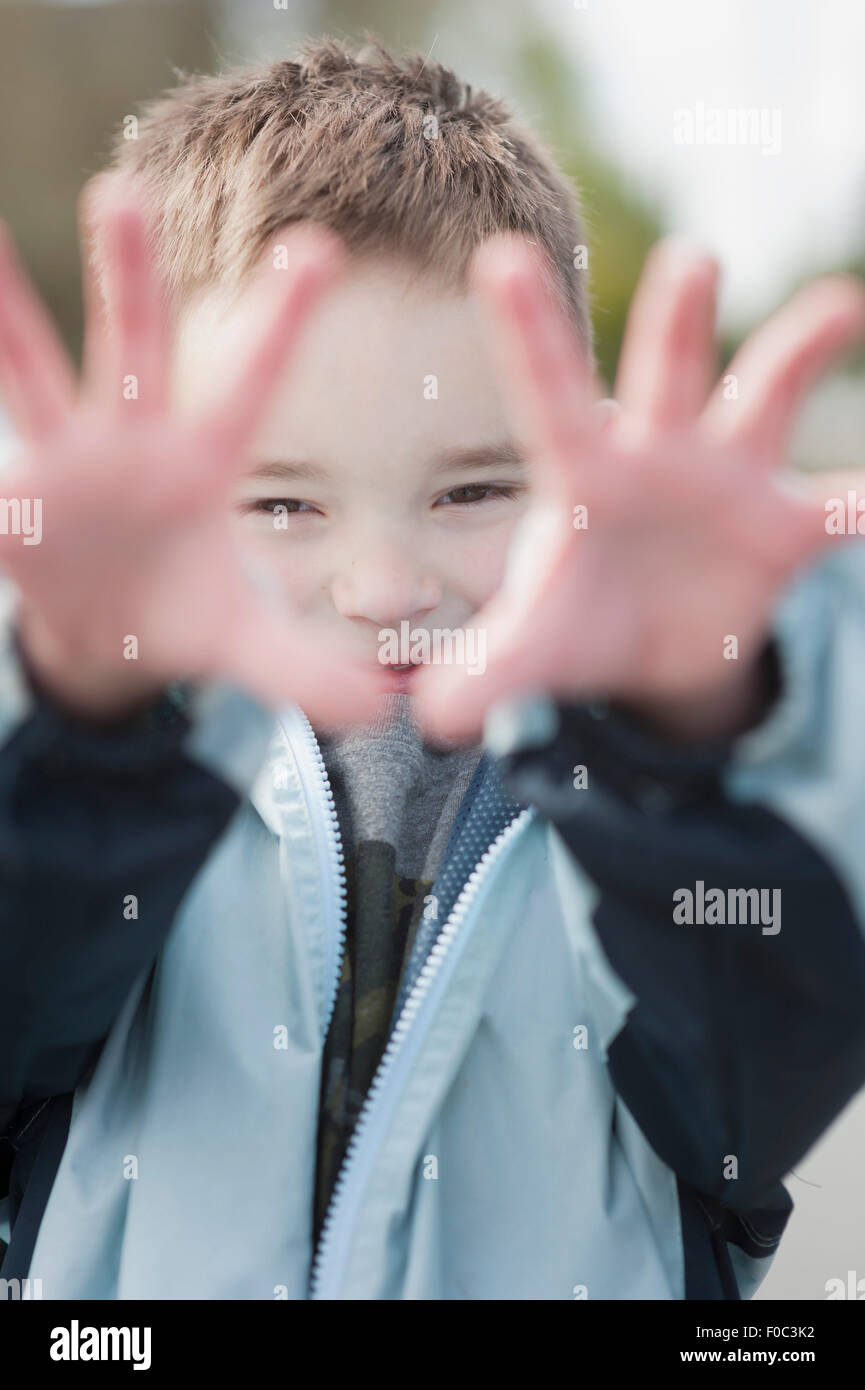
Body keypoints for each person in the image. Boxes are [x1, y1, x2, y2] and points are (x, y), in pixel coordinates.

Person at [1, 37, 865, 1300]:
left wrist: (681, 730)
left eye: (471, 488)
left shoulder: (614, 816)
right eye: (284, 504)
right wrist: (87, 710)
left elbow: (764, 1050)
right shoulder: (122, 788)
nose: (385, 588)